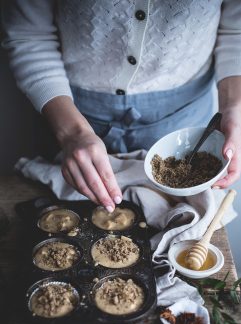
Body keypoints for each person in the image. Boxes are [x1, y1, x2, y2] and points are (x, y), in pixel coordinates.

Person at [2, 1, 241, 213]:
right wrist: (72, 132)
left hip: (183, 120)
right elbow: (29, 34)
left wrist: (234, 106)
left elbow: (236, 31)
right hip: (70, 111)